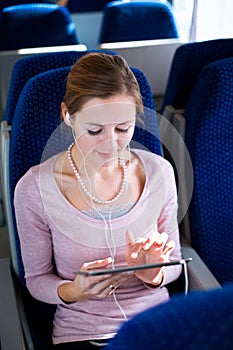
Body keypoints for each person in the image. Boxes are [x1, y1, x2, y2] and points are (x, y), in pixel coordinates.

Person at [14, 53, 182, 349]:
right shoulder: (33, 189)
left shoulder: (159, 172)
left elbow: (175, 264)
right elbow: (37, 280)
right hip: (85, 334)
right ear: (67, 115)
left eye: (123, 129)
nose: (110, 143)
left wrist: (153, 272)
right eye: (95, 130)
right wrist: (73, 291)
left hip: (159, 326)